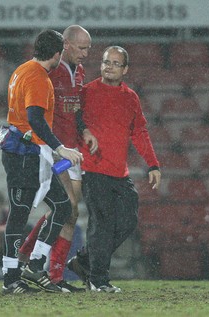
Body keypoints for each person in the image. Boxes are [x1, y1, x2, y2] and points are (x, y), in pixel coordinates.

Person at [67, 46, 161, 293]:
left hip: (120, 173)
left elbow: (139, 132)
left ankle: (84, 261)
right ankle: (99, 280)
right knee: (103, 223)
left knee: (128, 222)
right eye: (106, 62)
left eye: (116, 63)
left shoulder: (130, 98)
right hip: (93, 169)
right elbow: (72, 123)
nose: (109, 66)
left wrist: (153, 163)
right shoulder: (86, 93)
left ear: (125, 69)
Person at [0, 29, 85, 295]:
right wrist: (60, 147)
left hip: (22, 150)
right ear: (57, 54)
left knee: (62, 206)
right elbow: (35, 117)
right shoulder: (39, 78)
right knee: (20, 213)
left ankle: (35, 263)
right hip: (25, 155)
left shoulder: (22, 69)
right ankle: (11, 277)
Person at [17, 25, 97, 293]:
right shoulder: (50, 72)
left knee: (67, 214)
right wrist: (54, 143)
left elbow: (75, 111)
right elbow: (36, 109)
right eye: (81, 47)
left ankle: (29, 257)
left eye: (88, 48)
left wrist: (84, 130)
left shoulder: (79, 72)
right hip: (55, 150)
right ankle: (47, 270)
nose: (86, 53)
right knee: (69, 209)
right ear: (66, 45)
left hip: (72, 150)